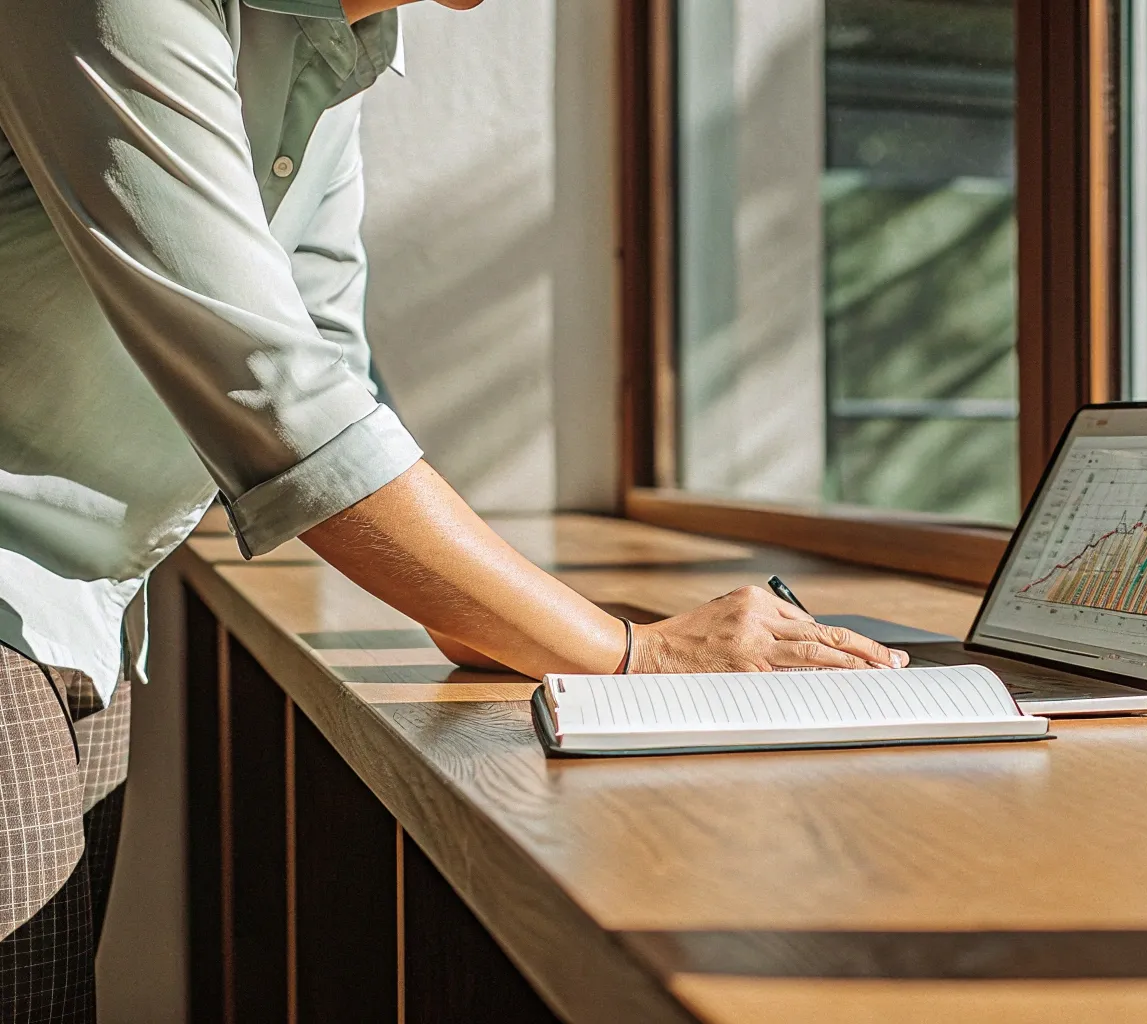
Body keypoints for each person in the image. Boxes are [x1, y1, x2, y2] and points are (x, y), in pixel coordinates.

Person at [0, 0, 902, 1016]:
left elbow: (333, 362)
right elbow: (273, 395)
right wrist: (637, 657)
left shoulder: (328, 58)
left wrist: (470, 606)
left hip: (82, 596)